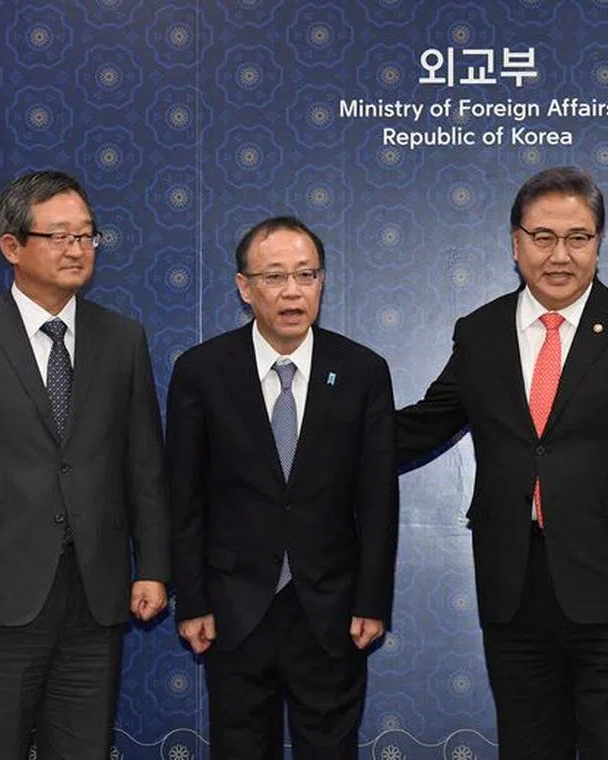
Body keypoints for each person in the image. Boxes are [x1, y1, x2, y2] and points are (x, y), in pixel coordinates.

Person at [396, 166, 608, 759]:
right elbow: (428, 422)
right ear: (515, 242)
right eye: (543, 236)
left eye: (578, 237)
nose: (560, 254)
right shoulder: (479, 332)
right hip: (514, 587)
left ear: (599, 243)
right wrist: (330, 435)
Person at [0, 170, 169, 758]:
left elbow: (145, 467)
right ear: (12, 247)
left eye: (87, 236)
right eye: (59, 236)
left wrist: (152, 564)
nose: (77, 249)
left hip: (95, 595)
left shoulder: (121, 339)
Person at [167, 216, 398, 759]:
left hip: (330, 606)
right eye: (274, 276)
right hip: (232, 605)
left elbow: (378, 499)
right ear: (244, 287)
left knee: (330, 748)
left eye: (306, 274)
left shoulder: (363, 371)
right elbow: (183, 496)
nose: (292, 290)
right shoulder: (201, 371)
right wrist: (192, 600)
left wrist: (371, 600)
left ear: (322, 283)